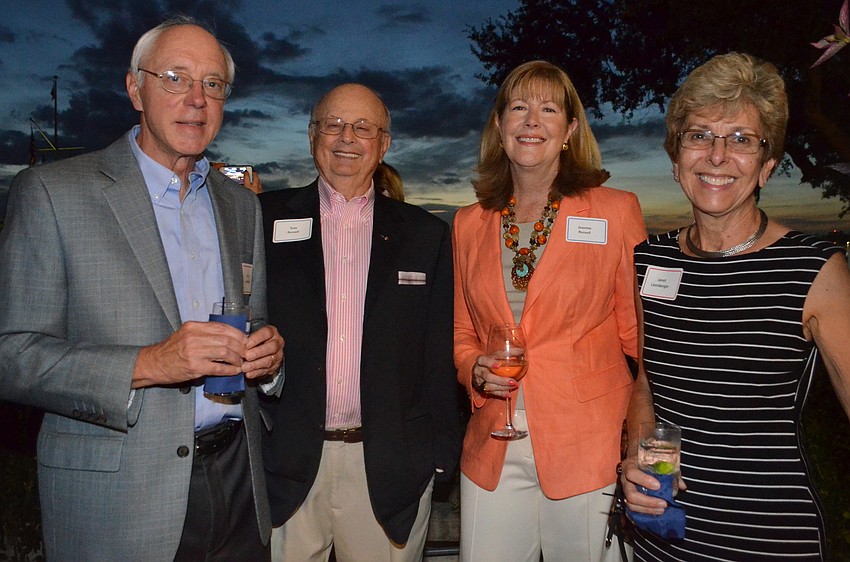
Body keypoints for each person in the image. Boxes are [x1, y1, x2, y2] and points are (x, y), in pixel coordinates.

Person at [0, 17, 284, 561]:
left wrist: (270, 360)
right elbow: (13, 354)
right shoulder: (53, 193)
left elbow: (255, 321)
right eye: (175, 78)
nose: (197, 99)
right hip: (119, 500)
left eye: (213, 84)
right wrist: (150, 363)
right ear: (135, 88)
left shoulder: (241, 206)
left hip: (239, 486)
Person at [623, 52, 850, 561]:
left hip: (769, 539)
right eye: (699, 135)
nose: (717, 155)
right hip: (664, 539)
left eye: (741, 139)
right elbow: (645, 384)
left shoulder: (813, 269)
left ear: (767, 166)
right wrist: (636, 460)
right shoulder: (647, 260)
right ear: (676, 157)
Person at [453, 60, 647, 561]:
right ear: (499, 127)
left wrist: (646, 438)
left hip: (589, 444)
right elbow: (460, 329)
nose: (532, 121)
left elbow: (640, 337)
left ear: (570, 130)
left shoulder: (614, 210)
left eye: (548, 109)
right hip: (494, 441)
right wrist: (472, 367)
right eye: (518, 107)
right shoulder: (468, 222)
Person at [259, 83, 461, 562]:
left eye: (363, 127)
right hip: (286, 465)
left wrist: (438, 458)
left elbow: (437, 354)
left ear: (383, 143)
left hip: (389, 468)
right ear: (313, 137)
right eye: (333, 124)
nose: (346, 136)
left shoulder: (425, 235)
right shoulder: (261, 221)